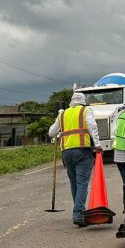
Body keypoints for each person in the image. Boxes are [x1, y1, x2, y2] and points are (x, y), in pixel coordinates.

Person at [48, 91, 101, 227]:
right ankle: (78, 213)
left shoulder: (63, 114)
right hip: (82, 150)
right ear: (83, 101)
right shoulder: (85, 110)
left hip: (66, 153)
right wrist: (98, 144)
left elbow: (51, 133)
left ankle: (79, 212)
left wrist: (59, 118)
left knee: (74, 183)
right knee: (82, 183)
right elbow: (92, 127)